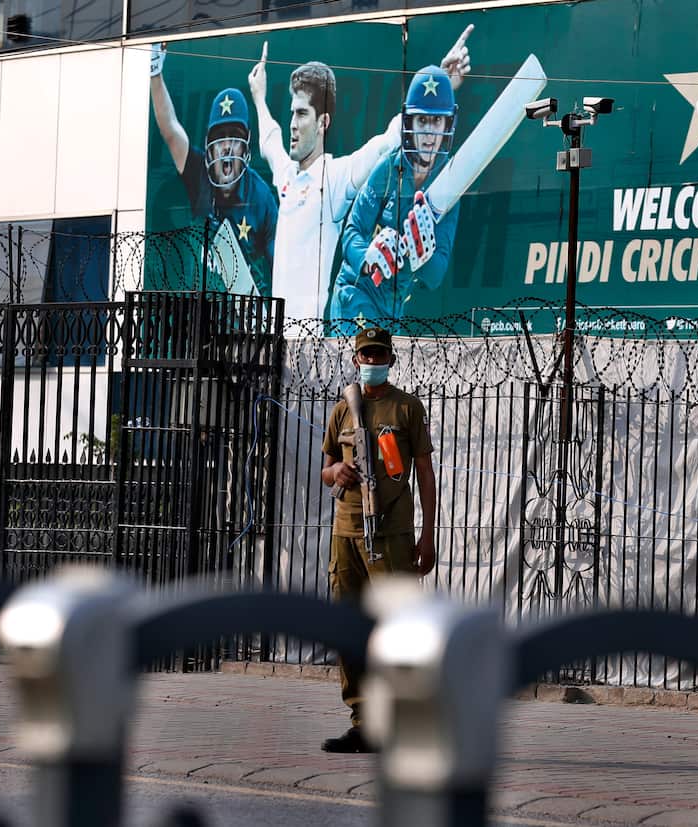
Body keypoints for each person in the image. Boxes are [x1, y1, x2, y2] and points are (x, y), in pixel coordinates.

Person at [246, 29, 472, 322]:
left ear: (322, 122)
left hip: (318, 329)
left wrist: (438, 80)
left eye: (301, 114)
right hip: (281, 331)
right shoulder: (285, 173)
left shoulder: (337, 176)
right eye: (292, 113)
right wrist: (259, 97)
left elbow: (390, 139)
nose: (292, 124)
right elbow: (268, 140)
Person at [319, 326, 437, 753]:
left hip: (392, 532)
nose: (372, 362)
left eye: (379, 355)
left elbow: (424, 472)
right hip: (346, 531)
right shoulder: (341, 411)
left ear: (390, 359)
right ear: (355, 359)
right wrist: (338, 474)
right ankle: (363, 720)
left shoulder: (406, 408)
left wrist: (427, 535)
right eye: (366, 356)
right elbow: (326, 467)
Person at [328, 66, 461, 327]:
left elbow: (435, 275)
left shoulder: (449, 183)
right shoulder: (388, 169)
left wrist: (422, 255)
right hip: (357, 295)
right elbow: (352, 231)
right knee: (359, 366)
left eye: (436, 121)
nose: (429, 133)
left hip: (393, 309)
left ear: (448, 123)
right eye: (422, 120)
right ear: (409, 122)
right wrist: (369, 257)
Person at [150, 45, 278, 296]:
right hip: (202, 312)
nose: (227, 147)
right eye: (220, 138)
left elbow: (279, 267)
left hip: (245, 319)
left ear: (245, 149)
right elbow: (170, 129)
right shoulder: (199, 174)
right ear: (209, 148)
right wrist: (155, 72)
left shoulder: (262, 197)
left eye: (235, 137)